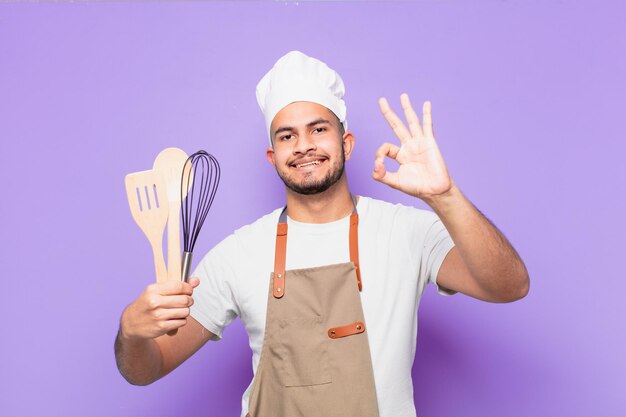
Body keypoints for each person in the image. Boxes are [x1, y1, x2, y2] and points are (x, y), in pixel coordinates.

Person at [115, 51, 529, 417]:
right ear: (272, 156)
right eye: (287, 136)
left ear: (346, 143)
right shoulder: (237, 254)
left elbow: (510, 285)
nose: (303, 145)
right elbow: (147, 369)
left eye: (318, 129)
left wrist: (446, 196)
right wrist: (132, 332)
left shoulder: (406, 232)